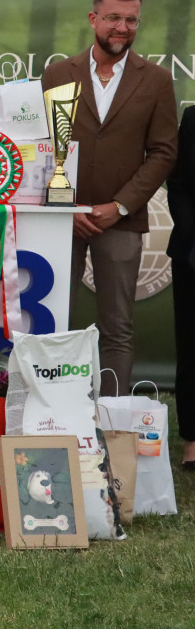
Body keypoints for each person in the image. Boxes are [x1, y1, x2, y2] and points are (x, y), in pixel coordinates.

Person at [41, 0, 177, 394]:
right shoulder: (56, 74)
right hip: (61, 221)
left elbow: (163, 153)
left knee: (117, 327)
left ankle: (111, 419)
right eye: (114, 18)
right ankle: (54, 414)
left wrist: (117, 206)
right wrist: (69, 208)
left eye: (132, 20)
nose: (122, 28)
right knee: (52, 321)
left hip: (121, 222)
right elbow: (43, 147)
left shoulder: (155, 80)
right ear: (93, 18)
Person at [167, 106, 195, 471]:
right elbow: (178, 185)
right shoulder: (192, 120)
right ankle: (192, 442)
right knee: (192, 348)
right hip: (193, 254)